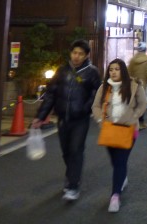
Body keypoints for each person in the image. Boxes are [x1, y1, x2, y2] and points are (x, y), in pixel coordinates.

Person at [31, 39, 101, 202]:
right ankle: (71, 177)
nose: (76, 56)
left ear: (86, 56)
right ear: (70, 53)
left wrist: (85, 108)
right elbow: (50, 95)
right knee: (66, 151)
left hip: (80, 119)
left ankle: (73, 186)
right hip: (63, 118)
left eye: (80, 54)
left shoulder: (92, 72)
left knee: (76, 150)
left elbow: (97, 94)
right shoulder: (62, 71)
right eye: (74, 52)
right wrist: (40, 116)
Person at [92, 58, 147, 213]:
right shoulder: (104, 87)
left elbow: (143, 103)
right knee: (115, 161)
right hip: (109, 130)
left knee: (120, 161)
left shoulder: (134, 85)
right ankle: (122, 177)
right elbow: (95, 106)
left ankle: (115, 196)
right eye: (111, 69)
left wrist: (135, 115)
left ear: (123, 70)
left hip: (128, 129)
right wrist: (99, 119)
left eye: (117, 69)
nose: (113, 72)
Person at [128, 42, 147, 130]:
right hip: (142, 84)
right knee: (141, 102)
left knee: (134, 102)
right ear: (145, 50)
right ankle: (141, 123)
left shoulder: (132, 60)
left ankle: (133, 121)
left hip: (133, 83)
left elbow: (128, 72)